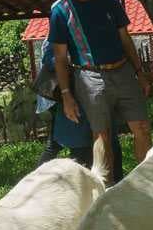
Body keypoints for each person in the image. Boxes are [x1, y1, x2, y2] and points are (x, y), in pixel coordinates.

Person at [50, 0, 153, 170]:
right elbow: (59, 57)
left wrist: (139, 72)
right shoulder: (60, 11)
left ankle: (148, 185)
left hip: (124, 71)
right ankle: (104, 192)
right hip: (89, 78)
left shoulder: (110, 0)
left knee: (143, 127)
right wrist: (67, 94)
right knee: (102, 137)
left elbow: (126, 39)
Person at [35, 38, 124, 182]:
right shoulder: (62, 28)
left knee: (111, 144)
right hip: (75, 102)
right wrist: (73, 62)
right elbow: (51, 60)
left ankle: (115, 187)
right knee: (80, 152)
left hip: (100, 95)